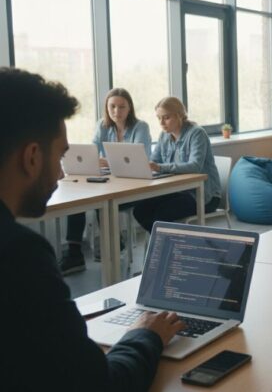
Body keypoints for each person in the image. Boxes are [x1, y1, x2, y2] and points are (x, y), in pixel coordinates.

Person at [0, 67, 184, 391]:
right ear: (31, 157)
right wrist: (146, 334)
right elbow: (103, 385)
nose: (60, 173)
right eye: (60, 157)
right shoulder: (20, 255)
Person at [59, 87, 152, 275]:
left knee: (103, 201)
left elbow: (140, 158)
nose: (117, 111)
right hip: (111, 181)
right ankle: (75, 253)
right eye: (112, 106)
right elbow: (92, 152)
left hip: (136, 185)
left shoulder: (140, 127)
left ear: (129, 108)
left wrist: (106, 160)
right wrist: (97, 159)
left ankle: (115, 245)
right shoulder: (103, 125)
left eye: (121, 107)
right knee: (78, 198)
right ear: (106, 108)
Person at [132, 97, 221, 232]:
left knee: (161, 214)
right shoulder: (164, 135)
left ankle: (165, 246)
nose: (161, 123)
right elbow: (154, 160)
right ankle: (164, 243)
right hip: (179, 191)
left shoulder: (197, 133)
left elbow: (195, 166)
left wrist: (160, 167)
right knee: (140, 210)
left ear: (180, 115)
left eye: (166, 118)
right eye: (159, 118)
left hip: (203, 195)